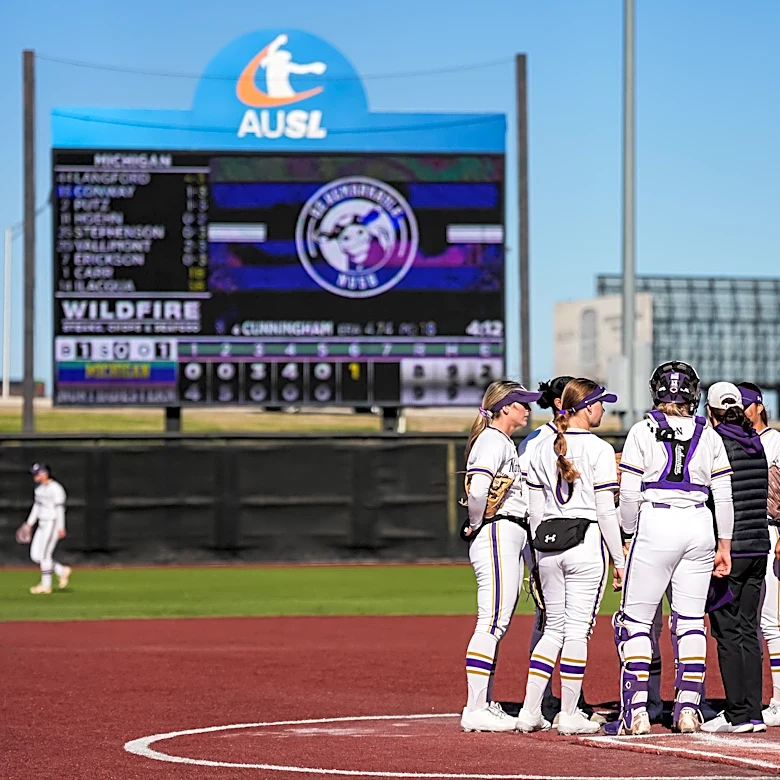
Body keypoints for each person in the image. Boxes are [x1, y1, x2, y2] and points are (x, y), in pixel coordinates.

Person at [609, 361, 734, 736]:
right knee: (691, 620)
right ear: (692, 393)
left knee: (635, 622)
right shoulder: (709, 434)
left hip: (656, 521)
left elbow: (629, 493)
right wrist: (724, 544)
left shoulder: (641, 430)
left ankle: (636, 712)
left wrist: (628, 533)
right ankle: (688, 709)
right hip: (698, 523)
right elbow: (723, 495)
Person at [516, 379, 625, 735]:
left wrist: (534, 556)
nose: (603, 410)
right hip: (585, 542)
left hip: (548, 543)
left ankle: (530, 711)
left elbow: (533, 511)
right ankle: (568, 714)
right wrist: (619, 559)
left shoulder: (540, 445)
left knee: (553, 630)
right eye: (600, 403)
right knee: (577, 632)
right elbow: (607, 512)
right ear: (588, 407)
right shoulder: (600, 449)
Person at [460, 380, 543, 732]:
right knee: (492, 621)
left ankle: (483, 702)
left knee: (497, 621)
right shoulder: (492, 440)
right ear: (505, 407)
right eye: (522, 402)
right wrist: (478, 520)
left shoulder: (502, 442)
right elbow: (478, 489)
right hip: (498, 531)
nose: (527, 408)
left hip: (509, 532)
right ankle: (475, 707)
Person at [701, 382, 770, 734]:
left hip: (731, 549)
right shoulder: (756, 442)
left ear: (710, 410)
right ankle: (754, 712)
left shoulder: (716, 442)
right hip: (759, 546)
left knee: (727, 632)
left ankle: (738, 714)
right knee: (748, 629)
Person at [737, 384, 780, 727]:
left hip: (771, 529)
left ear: (758, 406)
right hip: (745, 533)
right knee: (751, 622)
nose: (742, 411)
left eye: (746, 405)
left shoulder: (775, 441)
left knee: (772, 623)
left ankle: (779, 699)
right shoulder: (736, 440)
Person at [15, 463, 72, 595]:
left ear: (45, 474)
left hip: (52, 523)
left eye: (37, 473)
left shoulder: (56, 489)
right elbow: (37, 507)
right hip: (41, 524)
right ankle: (61, 570)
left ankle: (46, 585)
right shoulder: (39, 489)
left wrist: (61, 527)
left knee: (45, 555)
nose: (35, 476)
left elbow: (59, 509)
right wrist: (29, 523)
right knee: (36, 556)